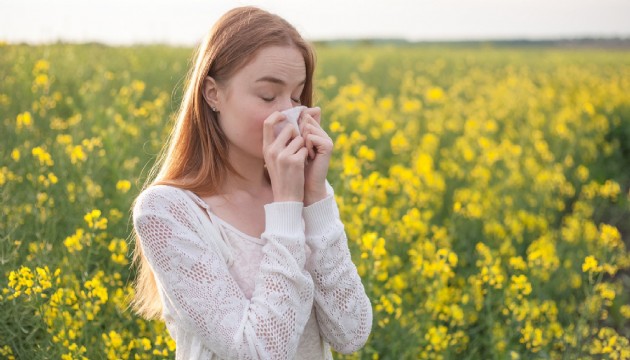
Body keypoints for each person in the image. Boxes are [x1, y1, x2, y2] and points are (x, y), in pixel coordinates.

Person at [130, 6, 372, 359]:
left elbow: (351, 334)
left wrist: (315, 197)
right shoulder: (167, 212)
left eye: (296, 96)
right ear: (213, 94)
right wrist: (287, 207)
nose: (288, 113)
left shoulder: (303, 192)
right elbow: (258, 352)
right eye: (267, 96)